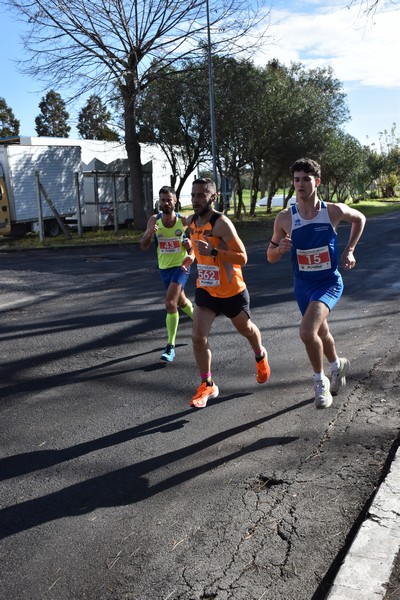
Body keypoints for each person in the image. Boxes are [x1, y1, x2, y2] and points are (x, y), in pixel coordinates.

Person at [267, 158, 366, 408]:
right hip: (302, 285)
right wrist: (280, 249)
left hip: (328, 282)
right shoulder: (284, 218)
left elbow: (360, 219)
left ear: (317, 182)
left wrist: (350, 250)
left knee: (307, 331)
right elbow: (270, 255)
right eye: (296, 179)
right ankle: (337, 365)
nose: (300, 184)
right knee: (321, 332)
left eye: (306, 179)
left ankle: (319, 382)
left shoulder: (332, 211)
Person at [182, 177, 271, 408]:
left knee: (246, 329)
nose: (195, 199)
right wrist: (189, 255)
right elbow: (196, 248)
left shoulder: (221, 223)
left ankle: (260, 355)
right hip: (206, 289)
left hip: (232, 290)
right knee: (198, 338)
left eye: (201, 195)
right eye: (193, 195)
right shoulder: (191, 222)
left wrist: (213, 251)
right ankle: (207, 384)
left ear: (214, 197)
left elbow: (243, 257)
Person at [140, 186, 194, 362]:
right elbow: (143, 246)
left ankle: (170, 346)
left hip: (182, 266)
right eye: (163, 200)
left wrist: (189, 248)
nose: (166, 203)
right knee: (181, 301)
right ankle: (201, 321)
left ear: (175, 200)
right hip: (164, 269)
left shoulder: (183, 221)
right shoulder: (154, 220)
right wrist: (149, 234)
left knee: (170, 303)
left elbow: (195, 244)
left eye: (169, 199)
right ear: (159, 201)